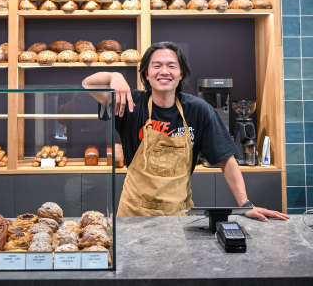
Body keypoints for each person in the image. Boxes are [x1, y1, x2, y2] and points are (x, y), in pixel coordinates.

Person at [82, 41, 289, 221]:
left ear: (181, 74)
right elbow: (87, 84)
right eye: (156, 66)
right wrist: (114, 75)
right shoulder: (130, 104)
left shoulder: (198, 110)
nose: (164, 71)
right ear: (146, 73)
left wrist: (246, 205)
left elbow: (227, 159)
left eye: (171, 66)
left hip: (178, 217)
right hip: (133, 215)